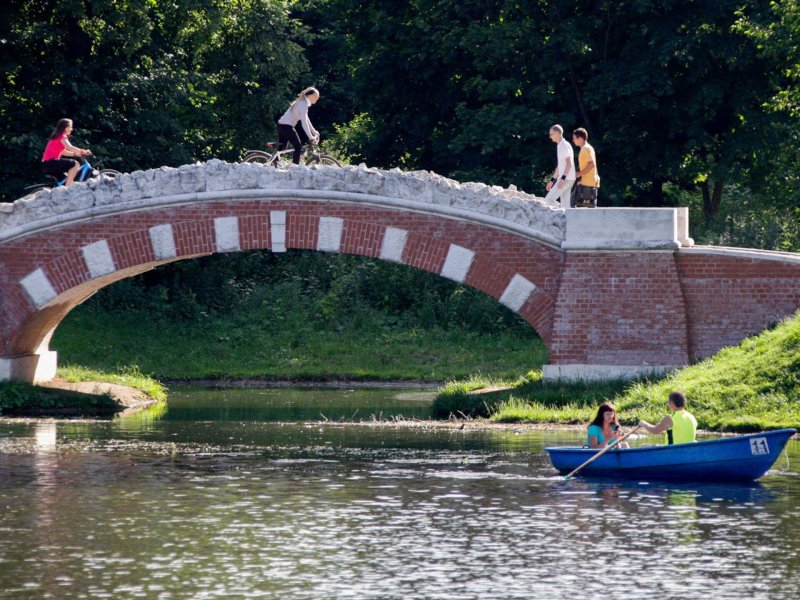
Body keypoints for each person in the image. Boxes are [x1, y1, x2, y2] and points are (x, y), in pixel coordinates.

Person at [40, 118, 91, 187]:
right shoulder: (62, 136)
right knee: (75, 164)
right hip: (51, 163)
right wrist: (83, 151)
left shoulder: (57, 136)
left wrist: (76, 154)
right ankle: (67, 190)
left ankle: (62, 192)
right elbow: (70, 147)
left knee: (65, 179)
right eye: (70, 127)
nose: (71, 129)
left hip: (47, 165)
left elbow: (63, 152)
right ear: (65, 128)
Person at [277, 87, 320, 164]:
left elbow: (306, 119)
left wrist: (314, 131)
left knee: (282, 150)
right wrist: (311, 137)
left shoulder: (303, 103)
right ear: (311, 96)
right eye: (316, 97)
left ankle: (274, 165)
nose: (317, 98)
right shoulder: (303, 104)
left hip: (282, 126)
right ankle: (295, 168)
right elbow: (304, 122)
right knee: (298, 147)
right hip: (286, 127)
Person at [543, 124, 575, 208]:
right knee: (566, 206)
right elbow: (560, 166)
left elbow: (569, 163)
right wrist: (552, 180)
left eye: (551, 134)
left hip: (566, 179)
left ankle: (559, 212)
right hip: (569, 178)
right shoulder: (560, 145)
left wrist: (562, 179)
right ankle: (567, 219)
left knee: (548, 200)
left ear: (557, 133)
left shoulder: (564, 146)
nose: (550, 137)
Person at [571, 127, 599, 208]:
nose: (573, 140)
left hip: (587, 183)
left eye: (574, 138)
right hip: (590, 182)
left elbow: (591, 164)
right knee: (590, 207)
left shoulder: (585, 149)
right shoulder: (588, 148)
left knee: (571, 204)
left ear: (580, 138)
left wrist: (579, 174)